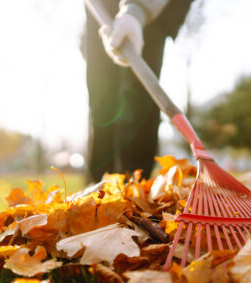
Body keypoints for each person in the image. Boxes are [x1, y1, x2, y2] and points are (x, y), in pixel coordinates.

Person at [83, 0, 193, 182]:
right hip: (99, 8)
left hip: (153, 10)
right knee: (102, 98)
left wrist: (136, 11)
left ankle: (135, 187)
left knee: (138, 99)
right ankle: (101, 188)